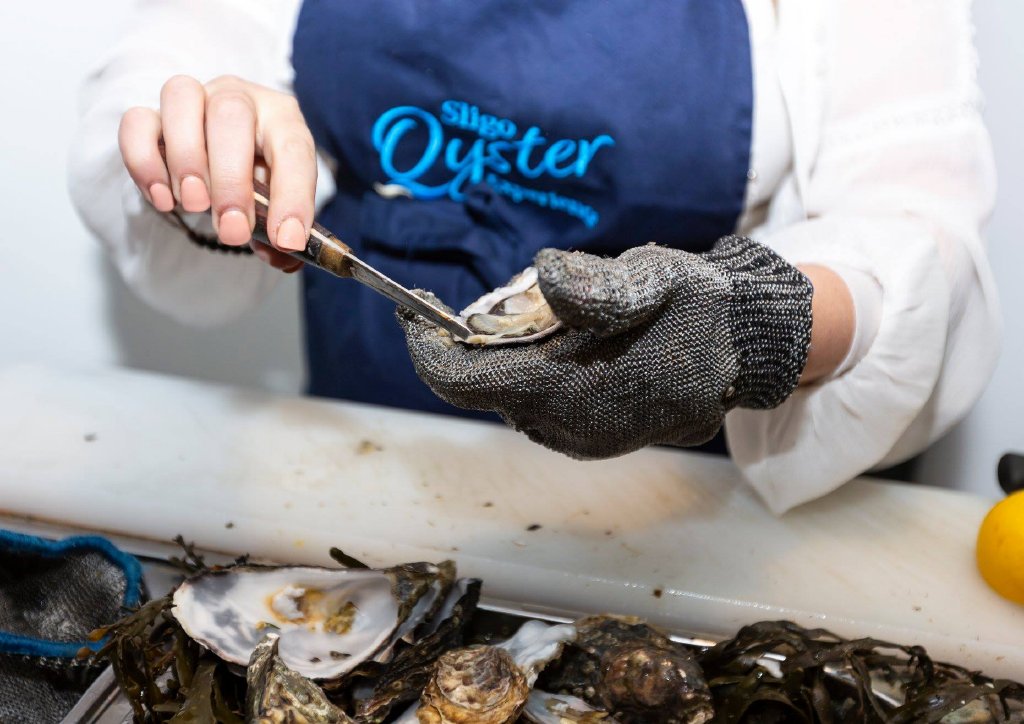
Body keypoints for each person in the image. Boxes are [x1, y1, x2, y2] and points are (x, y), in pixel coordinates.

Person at [69, 0, 999, 514]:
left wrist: (757, 327)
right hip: (358, 488)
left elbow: (920, 246)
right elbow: (170, 54)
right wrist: (204, 146)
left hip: (679, 525)